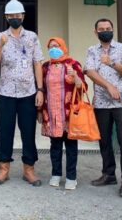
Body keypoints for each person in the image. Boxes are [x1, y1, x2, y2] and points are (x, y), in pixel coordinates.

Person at [0, 0, 45, 187]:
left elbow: (37, 63)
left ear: (23, 16)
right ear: (6, 17)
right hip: (6, 92)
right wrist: (0, 45)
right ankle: (3, 168)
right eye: (11, 15)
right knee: (5, 130)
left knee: (28, 131)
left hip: (28, 92)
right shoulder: (0, 36)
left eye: (18, 15)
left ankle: (29, 169)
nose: (15, 18)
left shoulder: (32, 37)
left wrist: (40, 89)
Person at [84, 18, 122, 198]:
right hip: (101, 103)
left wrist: (111, 63)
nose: (105, 31)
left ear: (113, 30)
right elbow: (90, 72)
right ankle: (108, 174)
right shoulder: (92, 50)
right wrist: (109, 86)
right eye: (101, 29)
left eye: (108, 28)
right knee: (104, 140)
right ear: (95, 32)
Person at [38, 36, 85, 190]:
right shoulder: (45, 67)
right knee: (55, 145)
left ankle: (71, 177)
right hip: (51, 113)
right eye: (51, 46)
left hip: (69, 114)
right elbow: (41, 90)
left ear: (63, 47)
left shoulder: (73, 64)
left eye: (57, 45)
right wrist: (40, 111)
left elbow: (83, 87)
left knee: (71, 146)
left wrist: (75, 76)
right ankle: (56, 174)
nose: (54, 48)